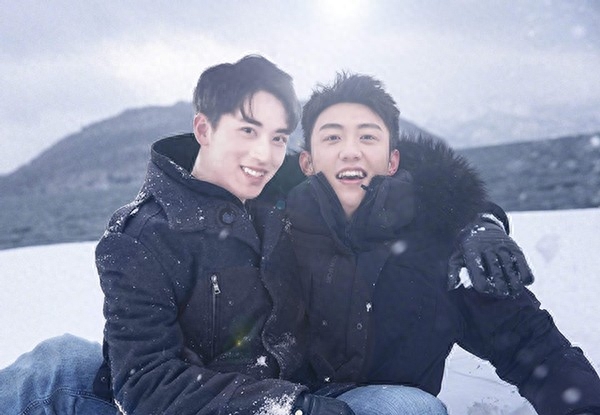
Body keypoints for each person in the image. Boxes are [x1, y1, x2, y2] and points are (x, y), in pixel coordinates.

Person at [0, 58, 537, 415]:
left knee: (412, 409)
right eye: (247, 130)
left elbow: (387, 175)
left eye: (278, 137)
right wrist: (291, 408)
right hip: (209, 407)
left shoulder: (277, 189)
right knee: (56, 364)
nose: (263, 153)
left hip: (306, 392)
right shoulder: (141, 238)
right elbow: (146, 384)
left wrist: (475, 221)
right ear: (204, 129)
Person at [279, 72, 600, 414]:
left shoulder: (441, 249)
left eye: (368, 137)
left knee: (410, 408)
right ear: (306, 162)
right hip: (274, 404)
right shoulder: (269, 232)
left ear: (393, 161)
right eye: (332, 137)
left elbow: (534, 348)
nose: (350, 151)